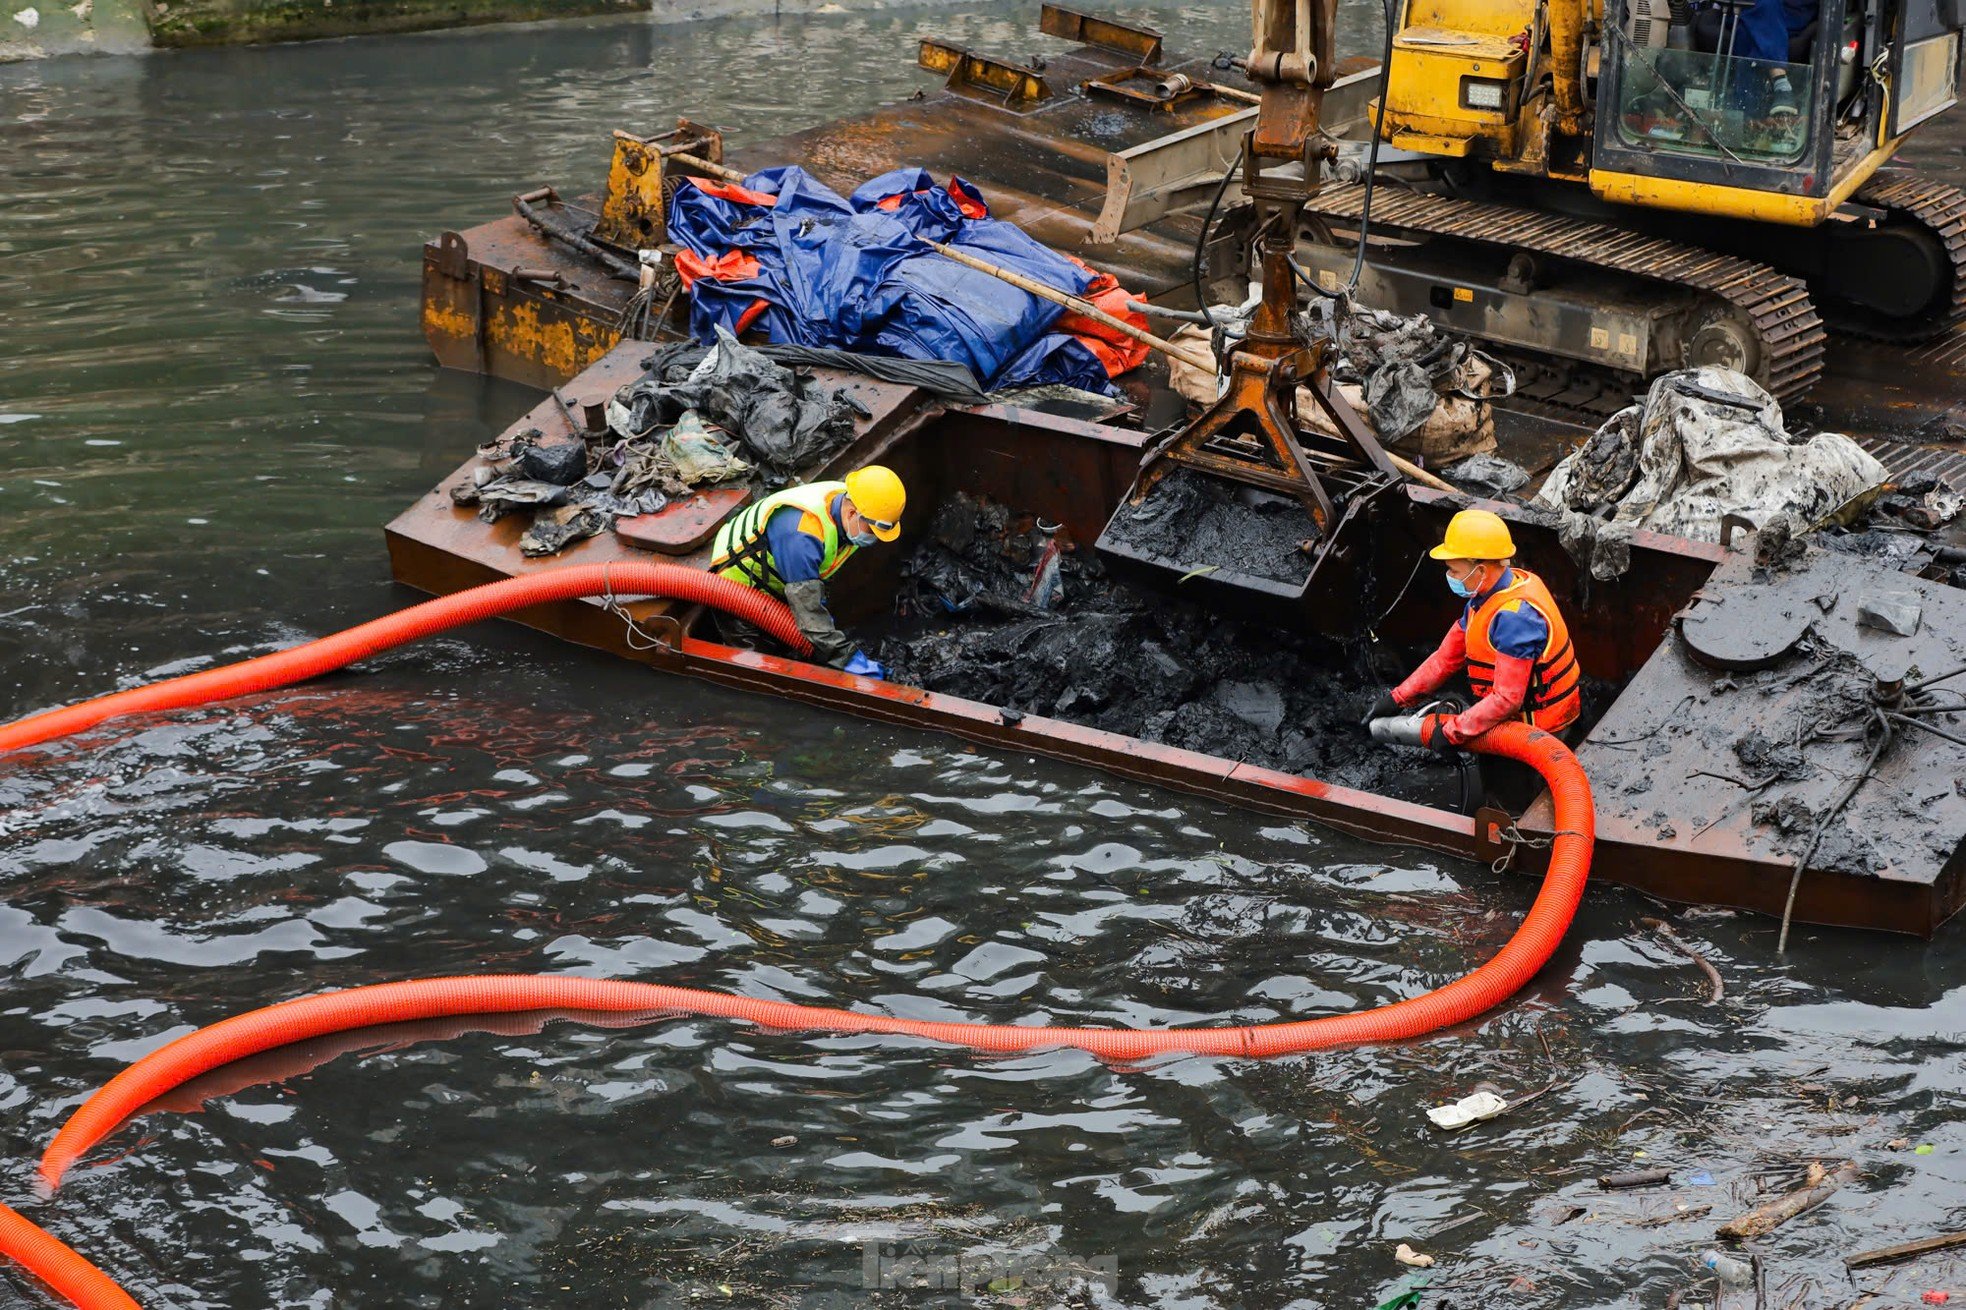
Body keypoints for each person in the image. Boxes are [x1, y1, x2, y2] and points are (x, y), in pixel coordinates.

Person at [1365, 510, 1581, 800]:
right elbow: (1445, 659)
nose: (1449, 577)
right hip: (1511, 720)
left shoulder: (1515, 619)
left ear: (1480, 569)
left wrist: (1452, 731)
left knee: (1513, 803)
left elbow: (1506, 699)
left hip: (1538, 735)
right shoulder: (1487, 597)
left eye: (1454, 570)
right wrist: (1397, 699)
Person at [710, 465, 905, 677]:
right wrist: (850, 662)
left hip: (781, 582)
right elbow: (809, 615)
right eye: (873, 531)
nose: (874, 538)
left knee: (802, 647)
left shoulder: (849, 505)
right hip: (736, 592)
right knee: (763, 672)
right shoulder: (803, 536)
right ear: (852, 513)